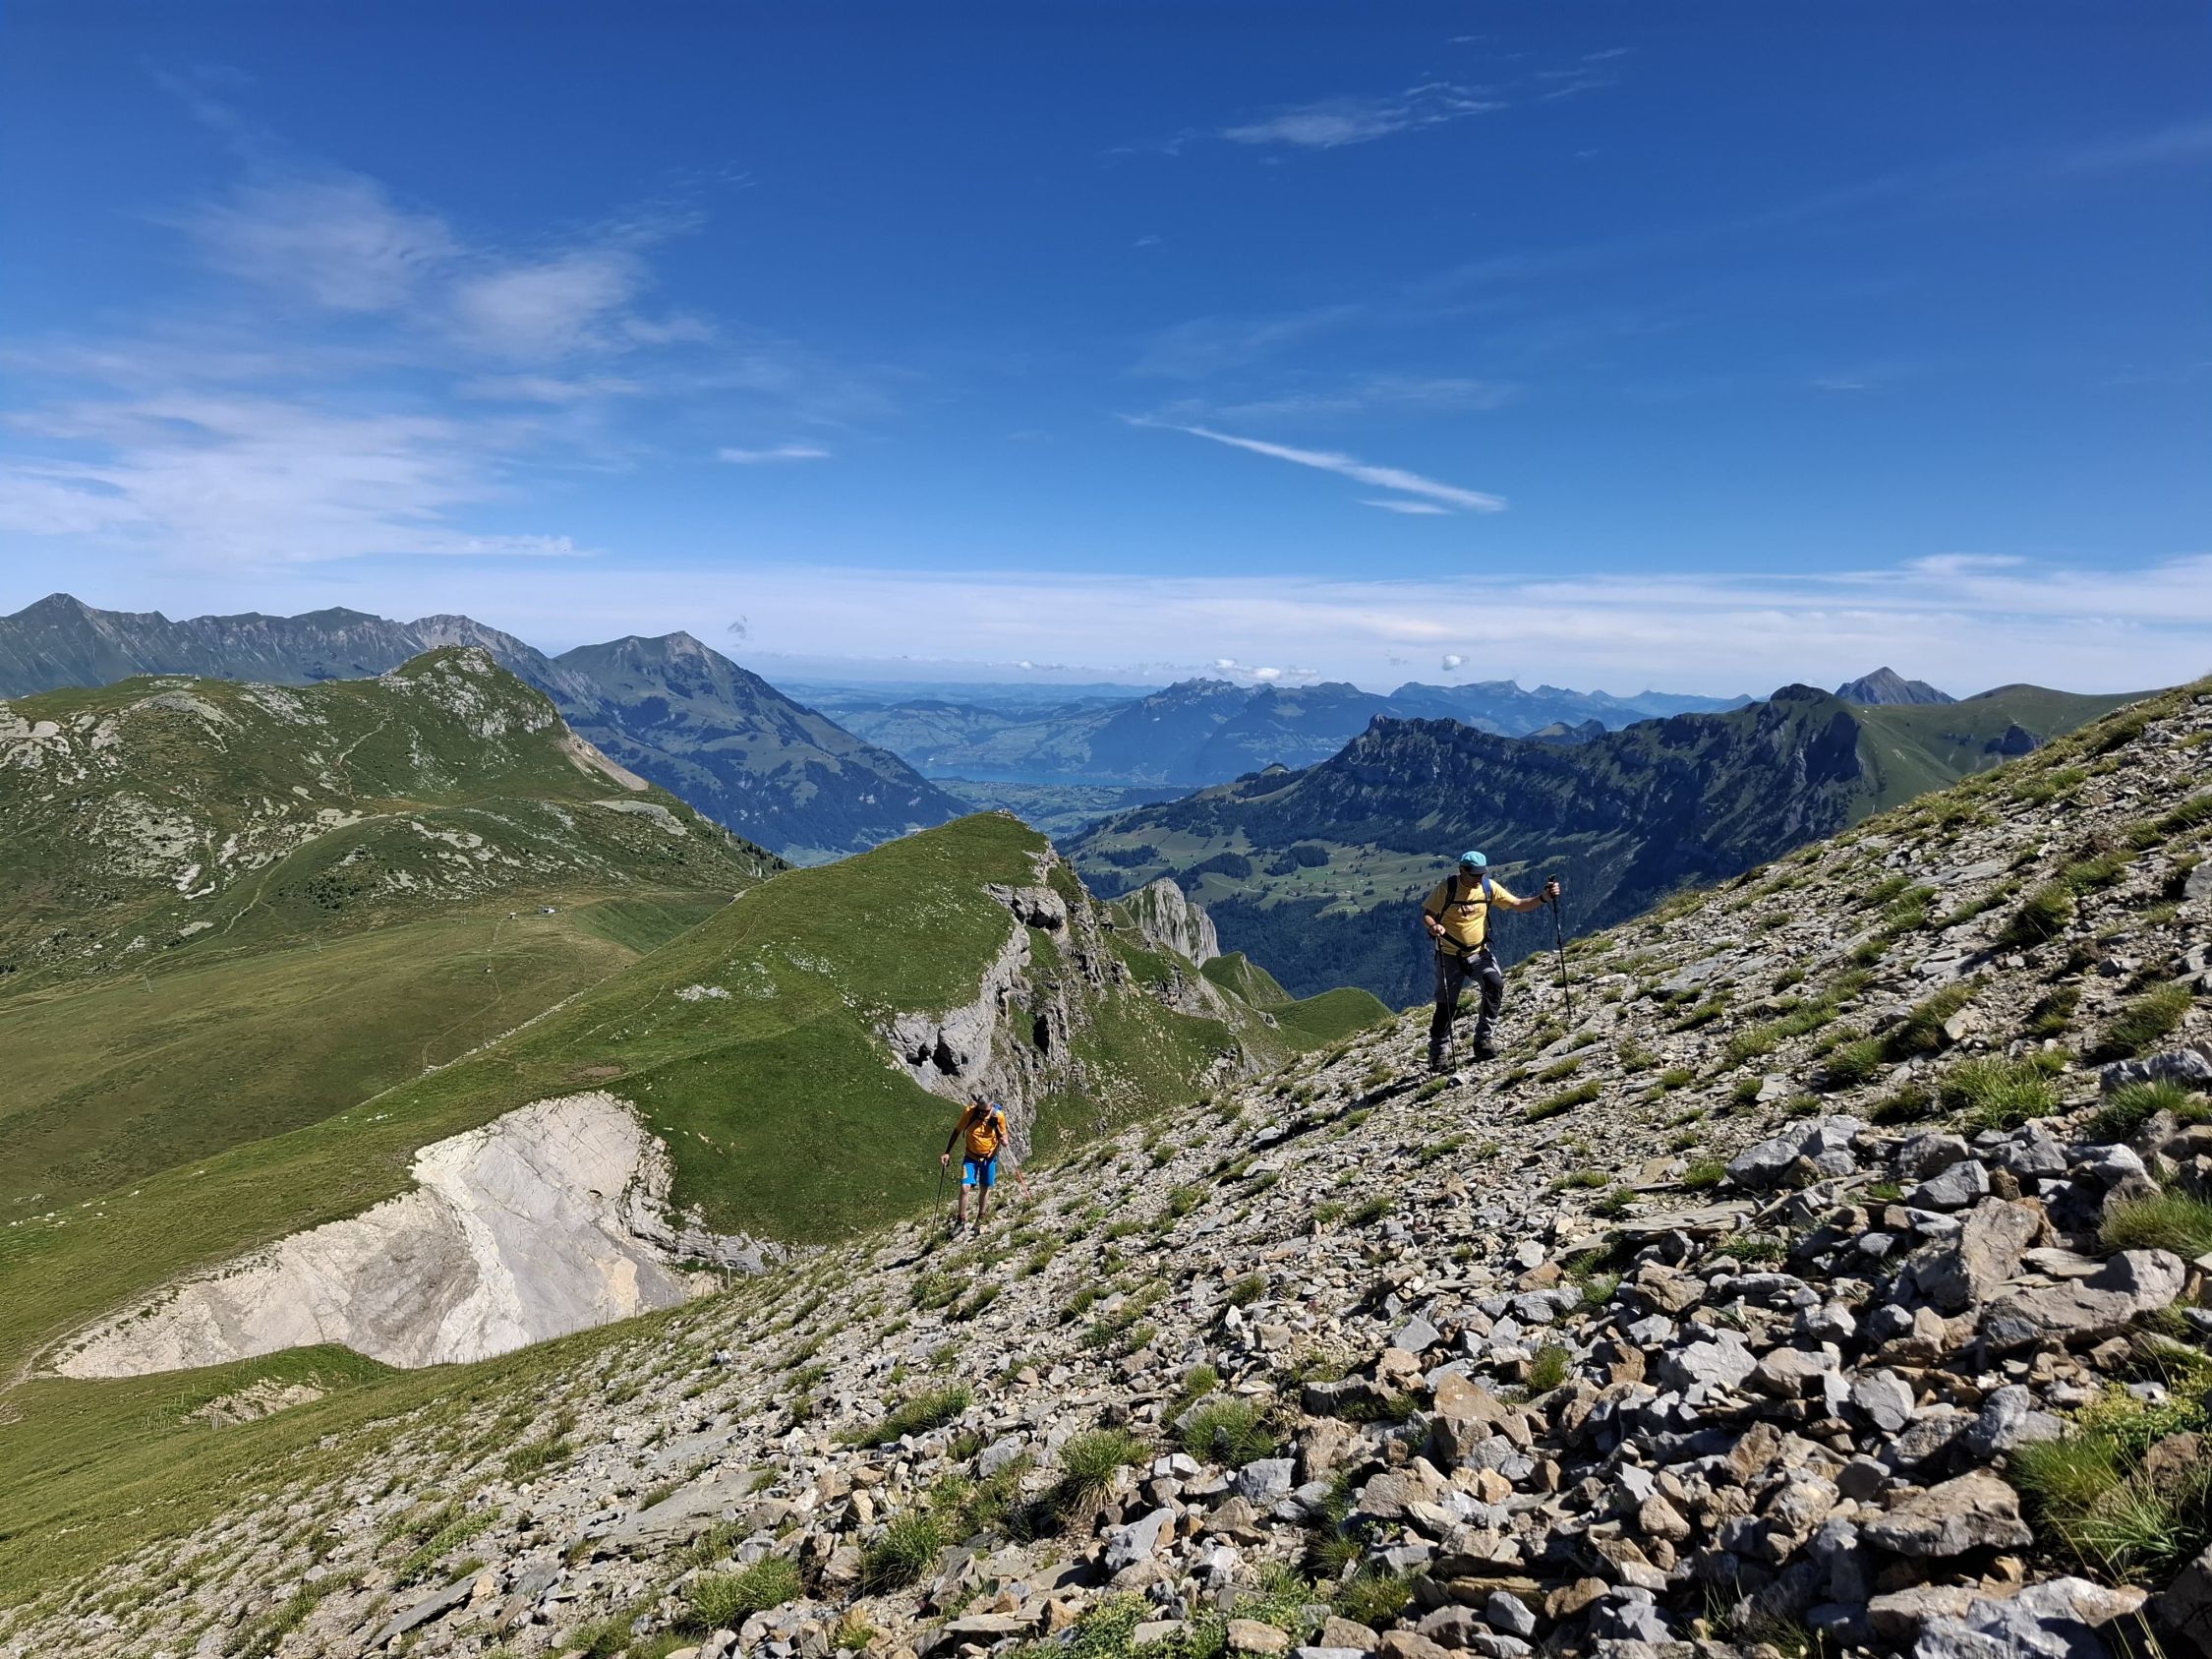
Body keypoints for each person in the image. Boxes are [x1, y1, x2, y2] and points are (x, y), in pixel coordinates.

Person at [1420, 851, 1561, 1071]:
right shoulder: (1447, 888)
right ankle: (1438, 1054)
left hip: (1479, 952)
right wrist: (1433, 926)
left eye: (1481, 874)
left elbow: (1517, 904)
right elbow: (1428, 913)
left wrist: (1544, 898)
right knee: (1446, 1005)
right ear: (1461, 870)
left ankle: (1483, 1040)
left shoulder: (1488, 887)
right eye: (1474, 874)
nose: (1478, 878)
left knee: (1494, 984)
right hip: (1449, 955)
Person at [940, 1096, 1024, 1233]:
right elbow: (957, 1131)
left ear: (991, 1107)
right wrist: (947, 1152)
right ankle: (961, 1221)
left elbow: (1004, 1134)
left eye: (986, 1111)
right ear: (977, 1106)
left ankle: (981, 1218)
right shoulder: (970, 1112)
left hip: (989, 1158)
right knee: (965, 1187)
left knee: (984, 1188)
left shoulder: (998, 1115)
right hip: (970, 1157)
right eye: (981, 1110)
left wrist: (1004, 1140)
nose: (983, 1113)